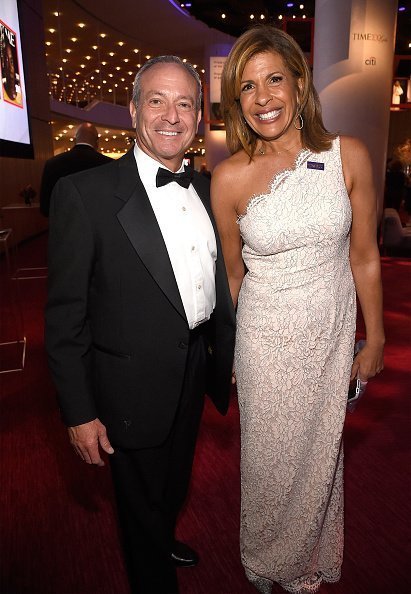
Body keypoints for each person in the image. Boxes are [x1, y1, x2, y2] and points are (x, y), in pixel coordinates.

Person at [45, 55, 235, 594]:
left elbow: (220, 282)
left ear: (199, 117)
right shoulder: (85, 195)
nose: (171, 116)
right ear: (133, 111)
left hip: (195, 367)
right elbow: (65, 318)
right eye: (157, 100)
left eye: (185, 104)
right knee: (137, 500)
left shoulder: (207, 189)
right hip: (127, 383)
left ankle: (161, 534)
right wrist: (79, 412)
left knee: (174, 481)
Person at [211, 26, 384, 594]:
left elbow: (364, 256)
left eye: (274, 79)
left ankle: (307, 557)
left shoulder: (347, 156)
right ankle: (265, 563)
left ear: (300, 81)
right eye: (247, 87)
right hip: (263, 344)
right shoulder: (229, 177)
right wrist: (230, 354)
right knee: (268, 466)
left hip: (331, 339)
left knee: (320, 459)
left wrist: (375, 338)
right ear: (236, 101)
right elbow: (233, 276)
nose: (263, 98)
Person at [39, 122, 111, 217]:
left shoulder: (52, 164)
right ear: (97, 141)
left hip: (64, 228)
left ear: (74, 140)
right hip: (100, 228)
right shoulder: (110, 164)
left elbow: (45, 207)